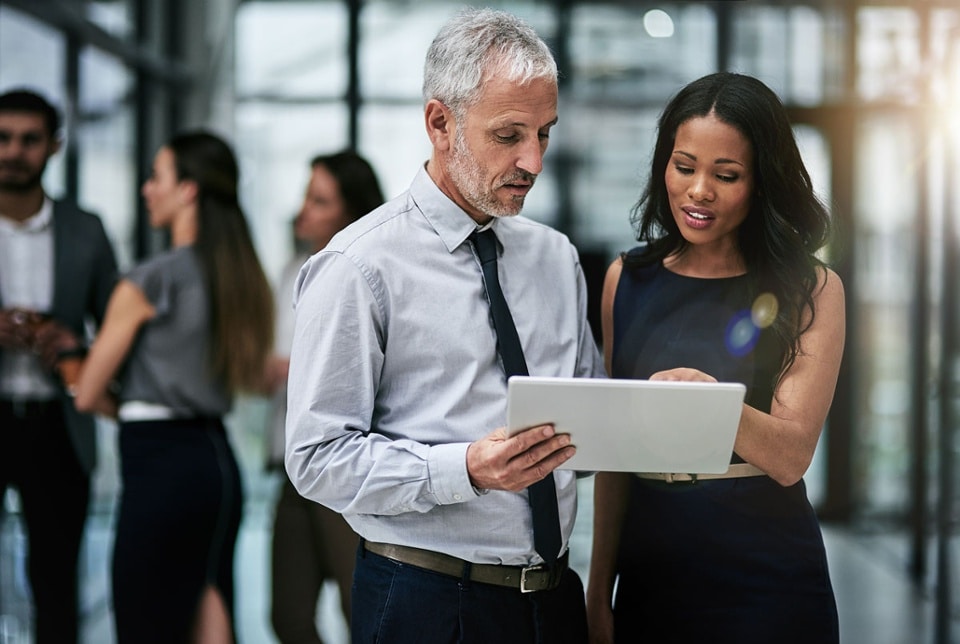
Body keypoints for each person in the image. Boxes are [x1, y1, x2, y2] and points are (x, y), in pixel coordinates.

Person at [284, 8, 604, 644]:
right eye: (509, 135)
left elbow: (586, 428)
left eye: (545, 132)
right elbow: (316, 459)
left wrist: (657, 412)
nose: (533, 160)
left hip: (553, 598)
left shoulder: (555, 258)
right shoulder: (358, 266)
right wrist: (468, 469)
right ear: (439, 123)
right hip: (425, 603)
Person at [585, 72, 844, 643]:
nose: (699, 190)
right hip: (652, 574)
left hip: (768, 579)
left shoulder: (813, 288)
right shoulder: (625, 280)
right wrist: (597, 589)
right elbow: (614, 459)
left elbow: (790, 456)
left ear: (761, 183)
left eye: (726, 175)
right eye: (684, 167)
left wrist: (708, 405)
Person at [71, 130, 274, 643]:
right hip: (216, 468)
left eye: (156, 176)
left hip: (159, 467)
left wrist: (65, 355)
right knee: (211, 612)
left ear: (188, 190)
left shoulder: (149, 280)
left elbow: (88, 393)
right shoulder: (237, 276)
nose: (146, 189)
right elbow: (250, 376)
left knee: (145, 624)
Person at [0, 88, 118, 644]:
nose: (13, 151)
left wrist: (71, 341)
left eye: (28, 140)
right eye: (3, 138)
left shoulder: (86, 229)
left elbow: (118, 333)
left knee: (55, 583)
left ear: (54, 146)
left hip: (58, 426)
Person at [265, 150, 385, 644]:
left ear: (350, 210)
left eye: (320, 200)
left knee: (358, 610)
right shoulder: (293, 269)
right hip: (292, 468)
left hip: (347, 468)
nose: (303, 211)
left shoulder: (370, 272)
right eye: (306, 198)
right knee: (287, 615)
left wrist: (297, 371)